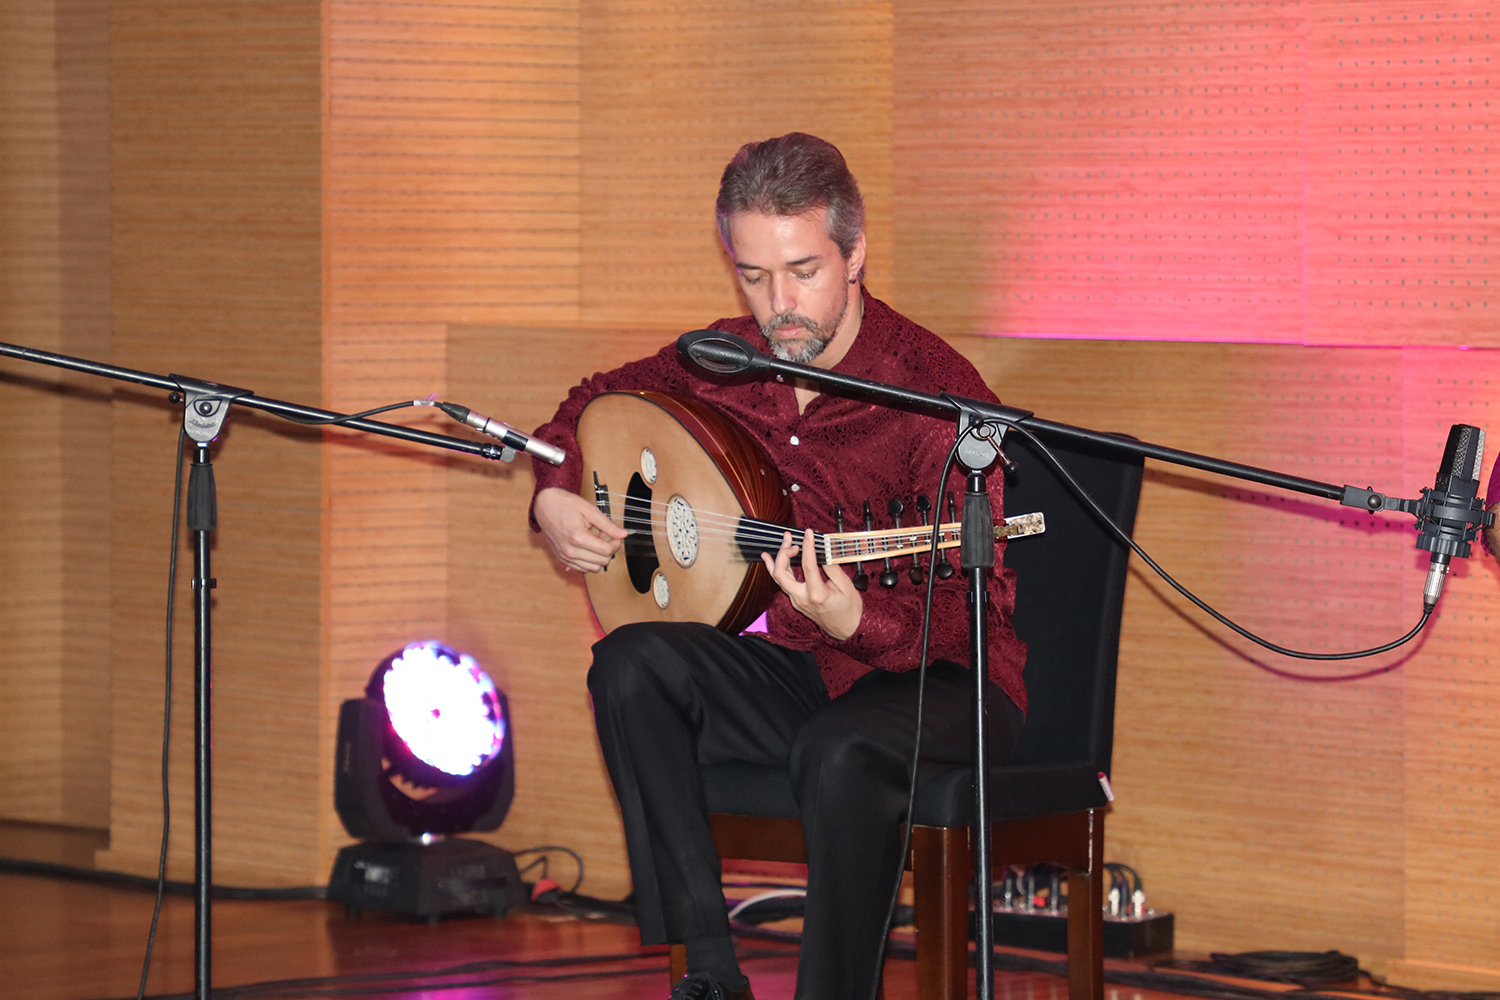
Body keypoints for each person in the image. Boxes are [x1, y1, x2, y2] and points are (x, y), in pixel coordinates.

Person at [528, 133, 1028, 1000]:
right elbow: (590, 402)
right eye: (753, 276)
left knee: (840, 750)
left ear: (855, 255)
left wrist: (858, 619)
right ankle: (710, 972)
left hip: (942, 680)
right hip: (796, 664)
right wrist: (553, 491)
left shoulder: (935, 398)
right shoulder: (722, 361)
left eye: (803, 272)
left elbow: (972, 612)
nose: (778, 305)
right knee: (628, 665)